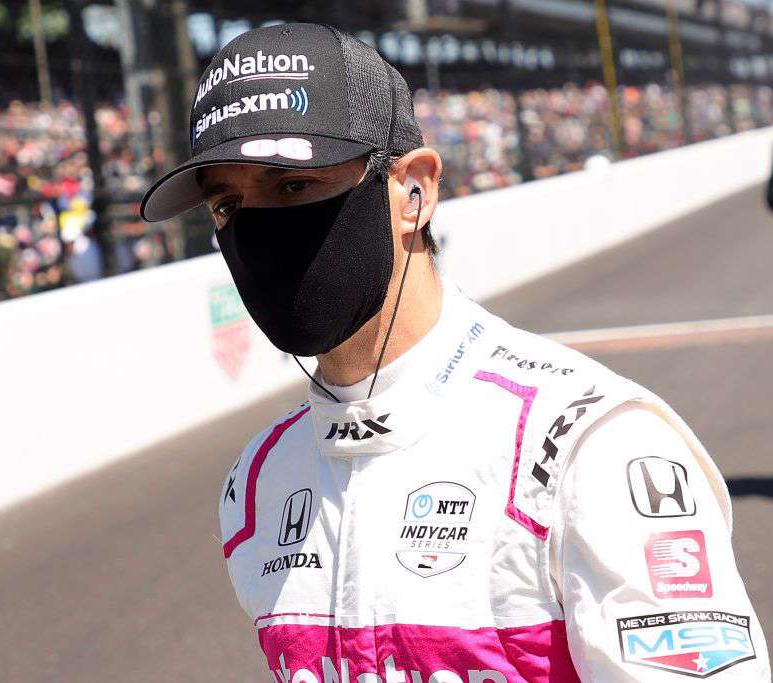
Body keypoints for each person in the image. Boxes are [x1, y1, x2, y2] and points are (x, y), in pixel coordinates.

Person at [140, 23, 770, 682]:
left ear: (413, 190)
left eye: (292, 185)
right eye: (227, 203)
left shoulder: (588, 446)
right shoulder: (258, 484)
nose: (256, 230)